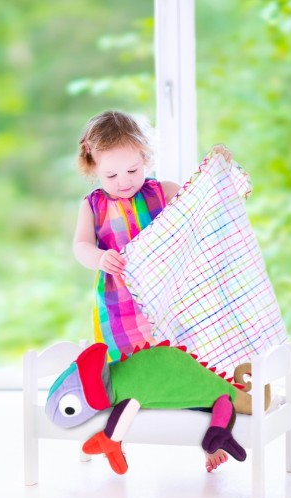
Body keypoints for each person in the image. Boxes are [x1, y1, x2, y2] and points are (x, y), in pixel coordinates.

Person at [72, 110, 233, 472]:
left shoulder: (165, 192)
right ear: (93, 166)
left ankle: (210, 435)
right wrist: (99, 257)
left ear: (145, 157)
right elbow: (80, 247)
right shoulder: (93, 205)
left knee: (188, 362)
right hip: (121, 306)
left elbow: (201, 209)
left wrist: (217, 173)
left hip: (171, 299)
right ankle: (116, 437)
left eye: (133, 170)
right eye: (111, 175)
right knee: (130, 372)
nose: (124, 181)